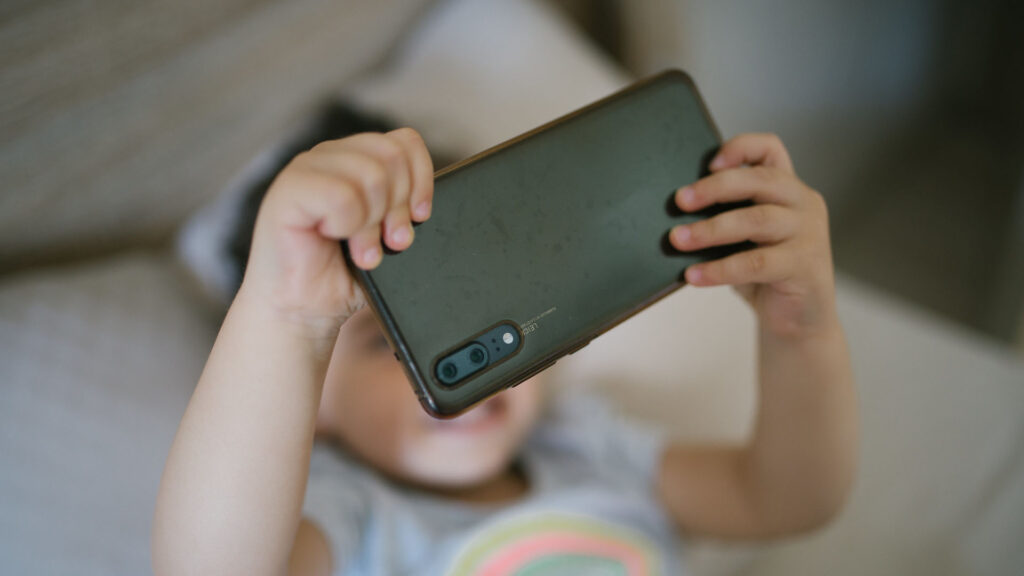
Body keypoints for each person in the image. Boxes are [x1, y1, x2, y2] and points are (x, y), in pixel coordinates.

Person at [152, 124, 857, 575]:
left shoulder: (587, 445)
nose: (471, 360)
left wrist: (803, 332)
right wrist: (286, 320)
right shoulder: (353, 520)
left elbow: (786, 500)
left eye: (484, 317)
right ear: (312, 409)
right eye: (388, 347)